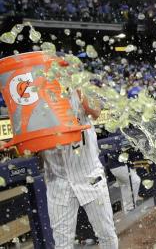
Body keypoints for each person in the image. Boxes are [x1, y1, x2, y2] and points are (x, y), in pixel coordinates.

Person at [40, 89, 118, 248]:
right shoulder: (34, 95)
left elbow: (96, 111)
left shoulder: (75, 83)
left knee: (106, 234)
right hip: (57, 179)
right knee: (62, 244)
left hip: (88, 174)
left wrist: (77, 86)